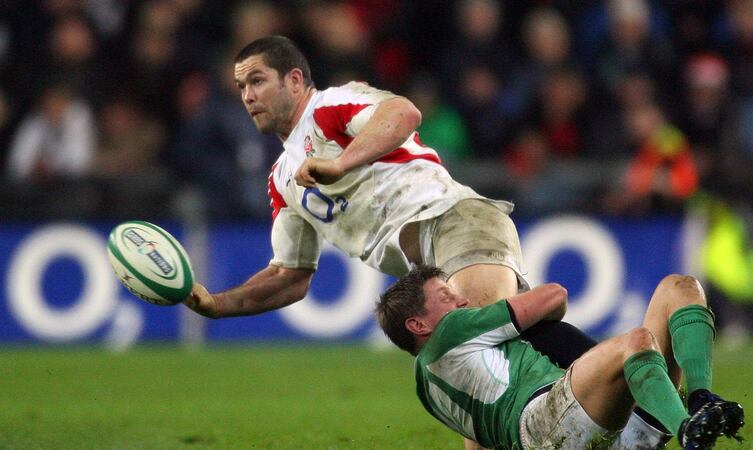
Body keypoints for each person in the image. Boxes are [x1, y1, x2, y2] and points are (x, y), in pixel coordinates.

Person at [181, 35, 597, 449]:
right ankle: (624, 376)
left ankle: (623, 387)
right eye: (241, 88)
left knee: (475, 361)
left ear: (294, 79)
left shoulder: (328, 107)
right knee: (494, 365)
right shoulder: (282, 179)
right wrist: (216, 305)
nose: (247, 95)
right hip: (431, 268)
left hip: (454, 221)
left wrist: (340, 162)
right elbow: (291, 275)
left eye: (257, 81)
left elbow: (403, 112)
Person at [376, 266, 745, 449]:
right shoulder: (451, 330)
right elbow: (553, 296)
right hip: (544, 424)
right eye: (446, 296)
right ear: (418, 324)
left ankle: (702, 401)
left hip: (583, 429)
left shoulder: (427, 387)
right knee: (634, 341)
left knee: (678, 288)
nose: (462, 301)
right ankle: (687, 429)